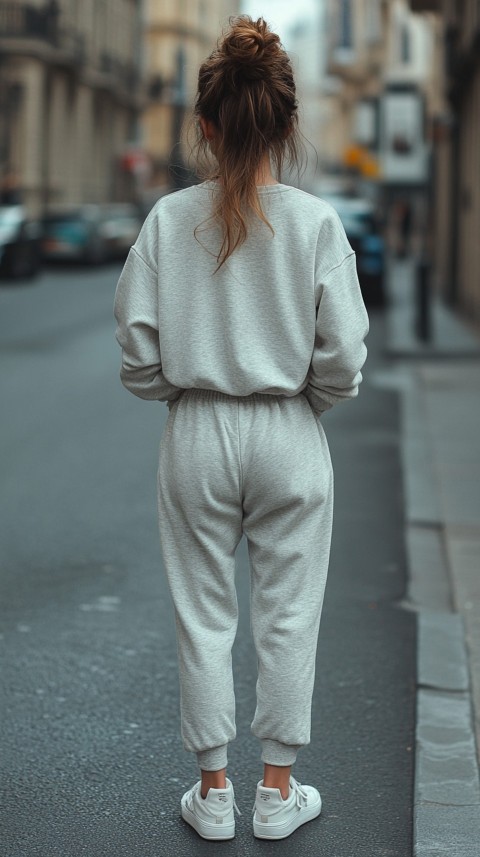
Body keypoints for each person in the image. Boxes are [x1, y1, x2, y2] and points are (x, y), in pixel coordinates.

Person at [114, 15, 369, 842]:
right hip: (289, 427)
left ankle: (214, 790)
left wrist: (183, 390)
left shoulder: (165, 221)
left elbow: (137, 356)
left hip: (197, 431)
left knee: (204, 612)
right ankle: (279, 790)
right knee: (290, 612)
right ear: (288, 126)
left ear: (205, 124)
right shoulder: (316, 224)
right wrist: (304, 401)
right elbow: (343, 356)